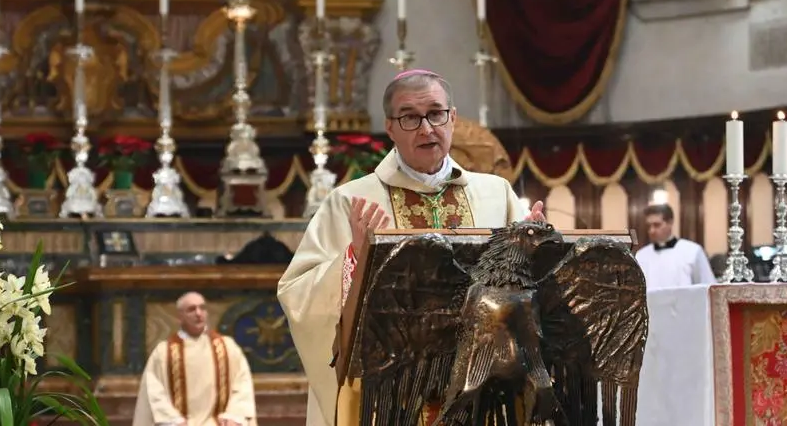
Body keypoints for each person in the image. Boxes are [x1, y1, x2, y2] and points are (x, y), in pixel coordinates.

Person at [277, 69, 545, 426]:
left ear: (452, 118)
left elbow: (528, 291)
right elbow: (298, 294)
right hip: (390, 388)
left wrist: (536, 247)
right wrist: (354, 258)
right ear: (390, 127)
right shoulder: (350, 201)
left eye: (436, 113)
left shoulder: (496, 193)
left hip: (479, 382)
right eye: (409, 117)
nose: (426, 128)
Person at [132, 291, 256, 426]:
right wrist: (172, 419)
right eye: (191, 309)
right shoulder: (163, 353)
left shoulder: (227, 347)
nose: (198, 313)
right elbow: (154, 391)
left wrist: (233, 415)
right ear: (180, 317)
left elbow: (242, 383)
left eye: (202, 308)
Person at [635, 203, 716, 290]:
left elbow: (708, 287)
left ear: (670, 222)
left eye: (657, 225)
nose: (651, 231)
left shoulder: (692, 251)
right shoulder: (641, 256)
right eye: (649, 226)